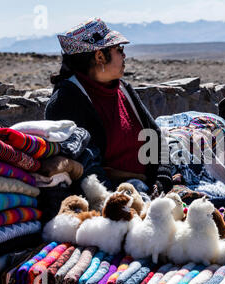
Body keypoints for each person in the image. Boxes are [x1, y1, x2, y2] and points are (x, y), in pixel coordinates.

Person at [45, 18, 172, 196]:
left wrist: (162, 179)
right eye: (119, 50)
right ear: (99, 56)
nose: (124, 56)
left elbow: (155, 137)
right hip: (110, 198)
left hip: (147, 188)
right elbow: (86, 167)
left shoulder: (123, 89)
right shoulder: (66, 102)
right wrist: (126, 196)